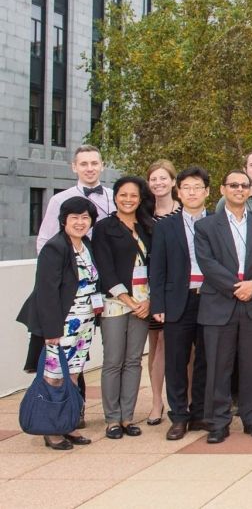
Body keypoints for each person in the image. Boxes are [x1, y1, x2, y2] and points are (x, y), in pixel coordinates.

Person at [195, 170, 252, 443]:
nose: (240, 189)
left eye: (244, 186)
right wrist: (236, 287)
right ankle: (218, 421)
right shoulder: (206, 226)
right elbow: (207, 263)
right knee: (219, 365)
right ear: (222, 190)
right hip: (220, 303)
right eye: (234, 185)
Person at [17, 196, 98, 450]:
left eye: (85, 217)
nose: (80, 222)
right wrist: (51, 331)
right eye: (74, 217)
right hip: (61, 325)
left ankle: (67, 424)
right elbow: (47, 292)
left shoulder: (85, 244)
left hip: (82, 324)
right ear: (64, 220)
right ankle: (51, 430)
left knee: (72, 374)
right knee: (54, 377)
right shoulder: (56, 247)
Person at [149, 166, 212, 440]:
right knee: (176, 359)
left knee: (206, 360)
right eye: (187, 187)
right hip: (177, 300)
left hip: (211, 299)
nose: (192, 192)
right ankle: (179, 416)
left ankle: (199, 413)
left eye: (197, 187)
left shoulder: (218, 222)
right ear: (179, 191)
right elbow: (157, 268)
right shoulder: (165, 226)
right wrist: (158, 304)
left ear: (207, 192)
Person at [91, 176, 155, 440]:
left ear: (140, 199)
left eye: (134, 195)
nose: (128, 199)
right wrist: (128, 300)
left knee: (133, 361)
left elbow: (157, 266)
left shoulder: (149, 227)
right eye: (123, 194)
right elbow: (104, 267)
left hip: (144, 303)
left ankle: (128, 417)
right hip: (116, 302)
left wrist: (148, 301)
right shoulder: (104, 227)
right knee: (113, 361)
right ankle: (112, 419)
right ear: (115, 196)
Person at [144, 160, 179, 427]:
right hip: (149, 288)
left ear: (173, 181)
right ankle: (157, 402)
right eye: (154, 179)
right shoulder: (143, 214)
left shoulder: (184, 213)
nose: (158, 183)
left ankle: (186, 399)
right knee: (156, 347)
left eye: (163, 178)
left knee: (185, 348)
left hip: (179, 287)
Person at [37, 145, 115, 253]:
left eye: (94, 163)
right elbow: (45, 239)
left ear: (102, 166)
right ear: (74, 167)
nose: (90, 169)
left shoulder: (115, 197)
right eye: (83, 164)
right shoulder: (59, 199)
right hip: (76, 264)